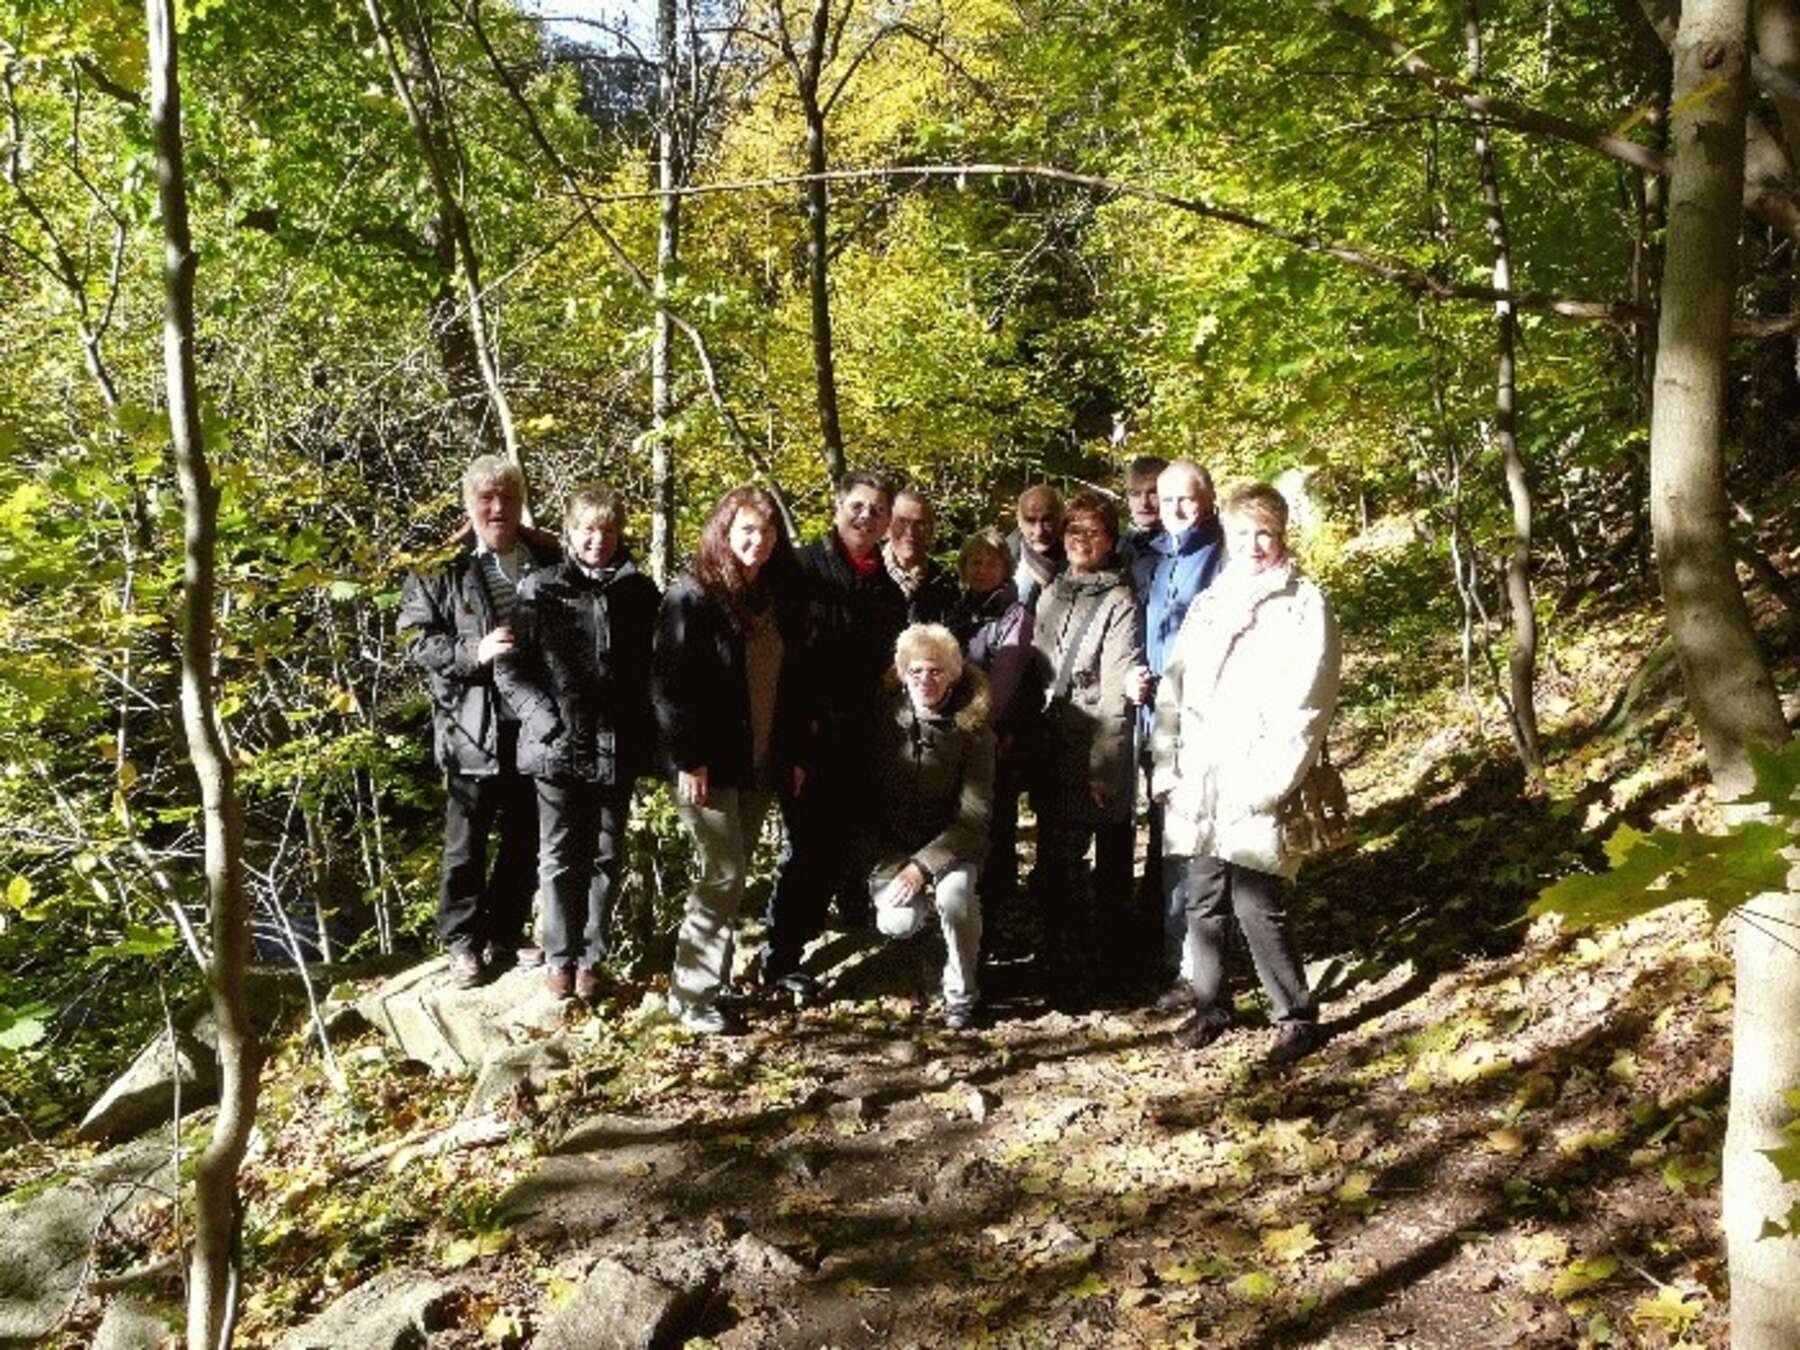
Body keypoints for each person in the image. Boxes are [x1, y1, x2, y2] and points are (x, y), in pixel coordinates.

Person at [1151, 482, 1341, 1067]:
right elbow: (1174, 687)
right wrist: (1167, 766)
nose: (1254, 544)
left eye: (1265, 533)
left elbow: (1310, 700)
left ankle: (1294, 1016)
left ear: (1281, 535)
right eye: (1242, 533)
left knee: (1258, 900)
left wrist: (1272, 781)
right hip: (1200, 775)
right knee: (1203, 896)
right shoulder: (1211, 602)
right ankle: (1211, 1005)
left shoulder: (1303, 602)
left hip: (1259, 774)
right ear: (1227, 536)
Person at [398, 455, 561, 989]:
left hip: (535, 722)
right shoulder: (439, 566)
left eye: (507, 498)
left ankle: (505, 933)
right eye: (487, 499)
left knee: (525, 835)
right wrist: (475, 652)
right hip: (472, 726)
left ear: (520, 503)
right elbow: (416, 641)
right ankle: (462, 942)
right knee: (465, 842)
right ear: (469, 505)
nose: (498, 509)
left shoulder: (548, 555)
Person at [654, 486, 809, 1033]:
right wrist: (688, 758)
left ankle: (708, 985)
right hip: (707, 765)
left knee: (733, 877)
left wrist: (792, 754)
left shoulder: (777, 595)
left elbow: (792, 684)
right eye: (746, 530)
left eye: (766, 531)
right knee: (723, 873)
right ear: (724, 532)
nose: (757, 541)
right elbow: (670, 687)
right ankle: (690, 994)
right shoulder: (692, 596)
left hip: (758, 761)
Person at [496, 484, 660, 1002]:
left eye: (607, 530)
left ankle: (592, 958)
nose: (597, 540)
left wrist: (652, 737)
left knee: (607, 854)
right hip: (556, 746)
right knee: (559, 855)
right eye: (588, 529)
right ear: (569, 532)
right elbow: (510, 669)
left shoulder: (640, 593)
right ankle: (559, 958)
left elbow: (656, 673)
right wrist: (546, 722)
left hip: (617, 744)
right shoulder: (539, 589)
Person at [761, 471, 908, 1001]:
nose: (866, 516)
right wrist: (795, 743)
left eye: (877, 510)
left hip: (860, 740)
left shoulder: (888, 591)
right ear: (838, 507)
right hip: (804, 736)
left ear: (888, 522)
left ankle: (813, 939)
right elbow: (783, 663)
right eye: (858, 506)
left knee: (839, 846)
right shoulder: (802, 570)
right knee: (806, 850)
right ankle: (779, 959)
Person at [1029, 490, 1145, 997]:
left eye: (1093, 532)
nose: (1081, 540)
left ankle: (1099, 969)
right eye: (1074, 530)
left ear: (1111, 541)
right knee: (1055, 863)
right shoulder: (1052, 592)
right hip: (1050, 744)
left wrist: (1106, 766)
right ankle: (1060, 963)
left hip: (1093, 745)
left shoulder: (1119, 601)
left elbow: (1117, 689)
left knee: (1093, 865)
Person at [863, 624, 996, 1030]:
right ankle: (921, 956)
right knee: (897, 922)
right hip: (893, 849)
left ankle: (962, 994)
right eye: (916, 670)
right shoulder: (880, 721)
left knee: (955, 897)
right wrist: (883, 864)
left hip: (954, 847)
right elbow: (862, 803)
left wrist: (923, 866)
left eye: (936, 671)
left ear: (952, 675)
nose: (926, 680)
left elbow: (974, 818)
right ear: (902, 674)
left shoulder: (973, 730)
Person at [1133, 460, 1226, 1001]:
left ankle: (1201, 967)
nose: (1176, 509)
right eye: (1168, 501)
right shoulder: (1160, 558)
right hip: (1160, 724)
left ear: (1207, 499)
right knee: (1172, 842)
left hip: (1206, 723)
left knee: (1201, 847)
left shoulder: (1223, 554)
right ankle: (1180, 959)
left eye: (1186, 499)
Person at [945, 529, 1035, 928]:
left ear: (1006, 568)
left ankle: (996, 919)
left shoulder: (1015, 615)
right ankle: (963, 915)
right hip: (952, 737)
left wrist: (972, 729)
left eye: (991, 563)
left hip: (996, 740)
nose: (982, 570)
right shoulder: (956, 611)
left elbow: (1004, 683)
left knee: (995, 828)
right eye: (975, 562)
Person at [884, 489, 960, 625]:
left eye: (920, 524)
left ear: (931, 531)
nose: (910, 531)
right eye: (902, 521)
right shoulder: (864, 576)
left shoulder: (945, 587)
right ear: (887, 526)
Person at [1007, 484, 1065, 609]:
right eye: (1031, 521)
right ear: (1019, 521)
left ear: (1061, 518)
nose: (1039, 532)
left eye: (1047, 520)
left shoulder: (1078, 559)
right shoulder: (1004, 553)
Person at [1117, 454, 1170, 577]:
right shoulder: (1114, 549)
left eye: (1153, 493)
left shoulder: (1185, 548)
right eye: (1135, 494)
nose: (1144, 503)